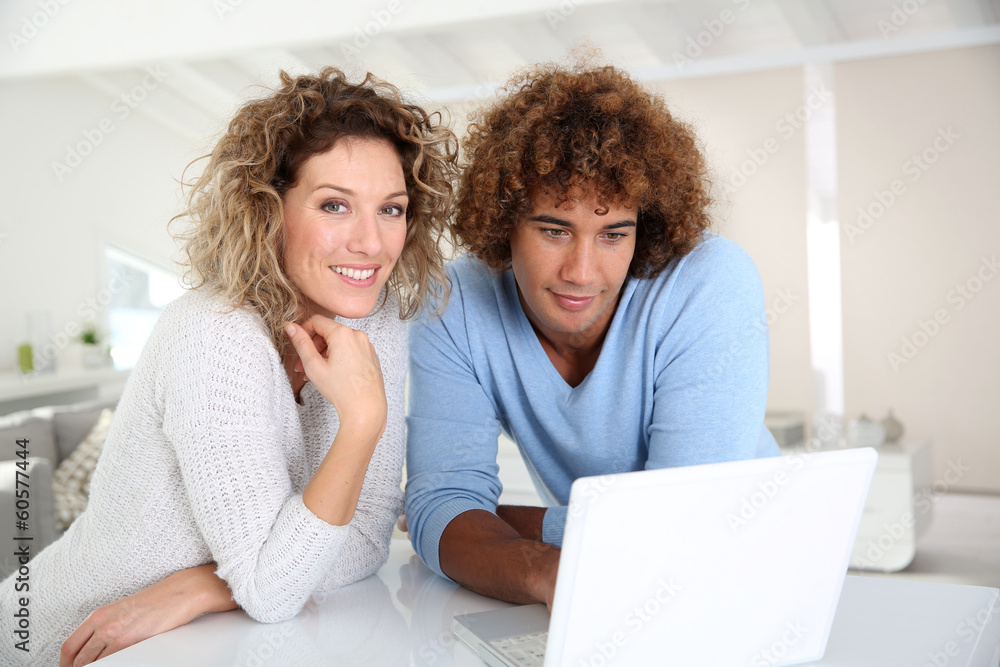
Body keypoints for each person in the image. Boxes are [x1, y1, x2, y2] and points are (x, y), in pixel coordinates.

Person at [0, 67, 457, 666]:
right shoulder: (210, 332)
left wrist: (202, 586)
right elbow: (272, 590)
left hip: (200, 644)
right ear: (268, 210)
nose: (371, 243)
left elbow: (367, 535)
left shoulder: (376, 322)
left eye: (391, 210)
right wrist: (363, 421)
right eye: (335, 205)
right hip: (55, 639)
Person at [403, 63, 781, 607]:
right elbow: (442, 506)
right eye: (554, 231)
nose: (582, 272)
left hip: (749, 566)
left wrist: (515, 523)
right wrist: (546, 573)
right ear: (503, 222)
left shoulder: (709, 280)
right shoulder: (453, 303)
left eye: (613, 235)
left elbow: (685, 523)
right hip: (606, 589)